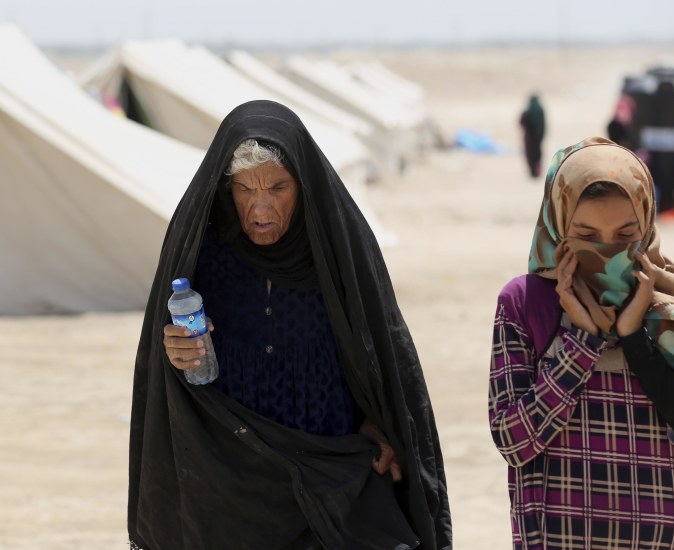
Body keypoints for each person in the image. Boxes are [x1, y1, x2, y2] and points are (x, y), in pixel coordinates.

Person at [128, 100, 452, 549]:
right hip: (232, 478)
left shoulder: (337, 250)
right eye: (245, 190)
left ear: (304, 184)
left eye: (277, 188)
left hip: (331, 471)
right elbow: (167, 367)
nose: (260, 208)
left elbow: (383, 355)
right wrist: (176, 350)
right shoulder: (202, 253)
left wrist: (382, 423)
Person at [488, 137, 674, 549]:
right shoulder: (525, 303)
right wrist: (582, 344)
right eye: (586, 234)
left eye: (625, 234)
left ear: (647, 224)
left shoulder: (668, 306)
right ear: (560, 223)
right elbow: (514, 440)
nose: (607, 251)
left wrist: (636, 338)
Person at [519, 94, 546, 178]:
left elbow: (522, 123)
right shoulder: (540, 110)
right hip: (538, 138)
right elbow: (543, 125)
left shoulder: (528, 112)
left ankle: (533, 173)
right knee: (537, 154)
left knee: (531, 155)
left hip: (530, 139)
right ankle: (536, 173)